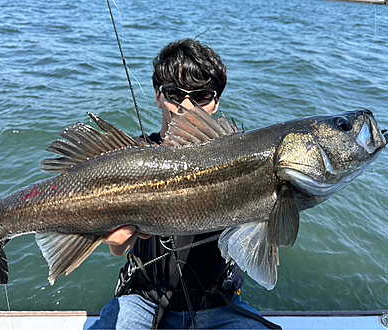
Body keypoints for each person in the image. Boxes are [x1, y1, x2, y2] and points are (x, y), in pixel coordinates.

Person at [89, 39, 277, 330]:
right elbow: (118, 248)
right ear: (157, 95)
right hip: (144, 299)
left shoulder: (243, 158)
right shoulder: (126, 158)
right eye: (175, 93)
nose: (185, 106)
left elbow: (255, 243)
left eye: (200, 96)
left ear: (215, 102)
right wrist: (116, 243)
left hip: (216, 302)